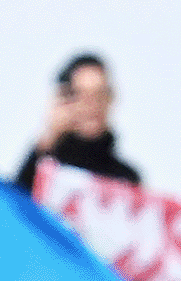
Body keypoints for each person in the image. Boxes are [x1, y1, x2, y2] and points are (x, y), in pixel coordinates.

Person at [13, 49, 138, 184]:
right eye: (83, 96)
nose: (93, 106)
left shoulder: (125, 178)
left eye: (100, 95)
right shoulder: (45, 164)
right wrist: (49, 138)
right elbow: (15, 200)